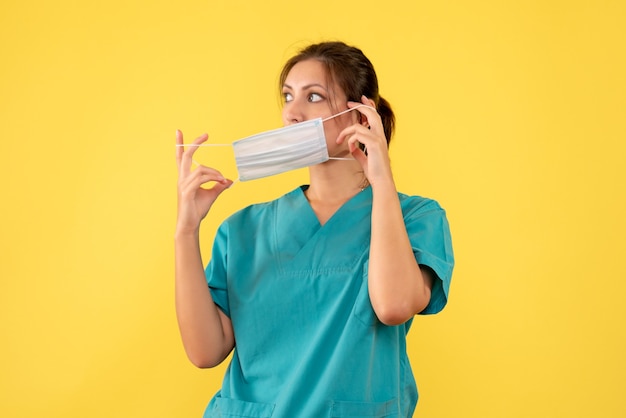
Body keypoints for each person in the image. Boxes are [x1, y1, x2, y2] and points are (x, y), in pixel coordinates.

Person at [175, 41, 454, 417]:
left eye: (314, 97)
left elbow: (394, 306)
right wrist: (186, 231)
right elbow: (205, 351)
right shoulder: (243, 230)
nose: (292, 112)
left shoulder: (415, 217)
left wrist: (382, 179)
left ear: (360, 115)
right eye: (288, 96)